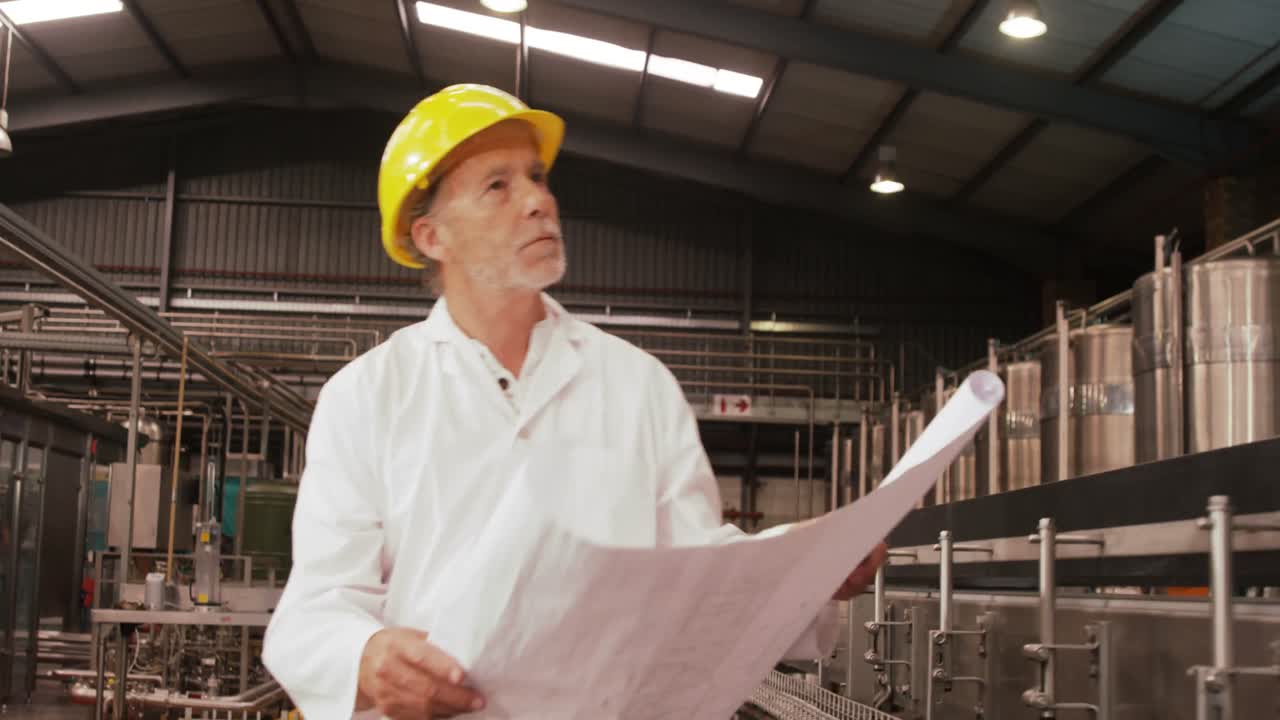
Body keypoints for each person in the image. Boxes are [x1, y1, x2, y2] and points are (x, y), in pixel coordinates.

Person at [261, 84, 888, 720]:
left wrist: (801, 564)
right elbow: (318, 604)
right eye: (497, 186)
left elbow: (695, 573)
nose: (538, 201)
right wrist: (364, 655)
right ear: (431, 236)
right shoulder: (369, 395)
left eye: (537, 177)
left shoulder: (636, 385)